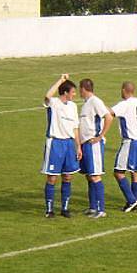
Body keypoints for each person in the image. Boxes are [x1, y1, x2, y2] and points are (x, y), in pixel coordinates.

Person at [41, 74, 81, 218]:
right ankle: (49, 209)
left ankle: (64, 208)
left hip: (69, 144)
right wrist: (61, 80)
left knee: (67, 176)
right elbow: (47, 95)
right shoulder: (54, 103)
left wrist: (78, 146)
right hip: (55, 143)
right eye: (72, 92)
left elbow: (75, 127)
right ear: (65, 92)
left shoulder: (73, 106)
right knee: (52, 178)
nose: (74, 95)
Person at [110, 81, 137, 212]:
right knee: (136, 172)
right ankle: (134, 202)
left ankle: (131, 200)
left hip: (130, 142)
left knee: (118, 172)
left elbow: (110, 113)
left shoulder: (124, 104)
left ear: (124, 90)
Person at [78, 78, 113, 218]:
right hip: (85, 143)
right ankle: (92, 207)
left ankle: (101, 209)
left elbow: (109, 117)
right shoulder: (86, 103)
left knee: (95, 176)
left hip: (94, 144)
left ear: (83, 88)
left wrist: (100, 136)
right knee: (89, 176)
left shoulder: (95, 101)